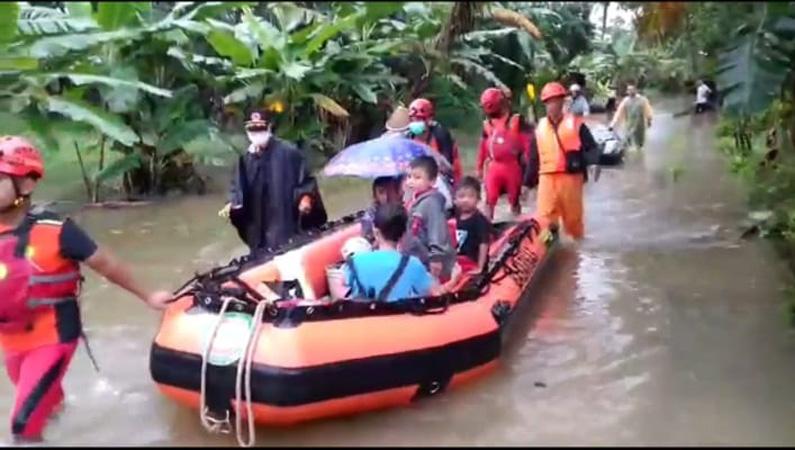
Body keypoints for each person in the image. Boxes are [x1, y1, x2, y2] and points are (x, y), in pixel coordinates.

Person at [0, 136, 173, 444]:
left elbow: (107, 264)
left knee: (23, 426)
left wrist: (148, 296)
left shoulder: (57, 231)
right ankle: (61, 416)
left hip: (52, 336)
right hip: (12, 340)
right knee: (47, 405)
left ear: (26, 184)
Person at [220, 110, 328, 253]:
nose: (257, 133)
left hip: (284, 216)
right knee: (261, 249)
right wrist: (232, 204)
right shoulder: (245, 159)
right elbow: (237, 187)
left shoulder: (289, 152)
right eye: (253, 130)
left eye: (261, 129)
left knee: (287, 244)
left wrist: (305, 197)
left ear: (269, 127)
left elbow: (306, 181)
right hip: (259, 223)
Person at [524, 82, 600, 241]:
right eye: (549, 102)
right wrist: (527, 183)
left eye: (556, 101)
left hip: (571, 178)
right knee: (545, 220)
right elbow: (533, 158)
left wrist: (594, 163)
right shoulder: (540, 128)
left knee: (573, 221)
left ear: (562, 102)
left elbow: (591, 147)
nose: (553, 105)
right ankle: (549, 247)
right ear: (545, 104)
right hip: (547, 179)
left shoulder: (576, 124)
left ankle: (576, 249)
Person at [345, 203, 439, 302]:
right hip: (402, 311)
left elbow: (341, 291)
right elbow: (434, 294)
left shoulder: (354, 263)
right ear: (403, 235)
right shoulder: (413, 265)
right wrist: (435, 277)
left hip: (365, 312)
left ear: (376, 232)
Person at [476, 87, 534, 220]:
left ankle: (518, 223)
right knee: (489, 200)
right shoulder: (487, 124)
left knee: (514, 199)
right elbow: (482, 147)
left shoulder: (517, 120)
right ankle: (487, 226)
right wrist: (479, 168)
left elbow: (529, 145)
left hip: (512, 166)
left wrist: (529, 171)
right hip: (494, 166)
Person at [401, 155, 456, 283]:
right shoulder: (412, 200)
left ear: (432, 181)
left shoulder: (432, 203)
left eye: (417, 178)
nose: (411, 181)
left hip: (430, 261)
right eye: (409, 177)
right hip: (417, 256)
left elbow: (437, 231)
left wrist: (436, 257)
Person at [407, 98, 463, 185]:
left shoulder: (440, 135)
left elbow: (448, 165)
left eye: (420, 119)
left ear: (429, 119)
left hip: (440, 179)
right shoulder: (408, 137)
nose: (416, 122)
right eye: (414, 119)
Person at [452, 176, 491, 275]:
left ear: (478, 199)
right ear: (455, 199)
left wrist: (480, 267)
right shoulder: (454, 217)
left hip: (473, 264)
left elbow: (484, 244)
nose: (465, 200)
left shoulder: (479, 221)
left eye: (470, 196)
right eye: (461, 196)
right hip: (459, 263)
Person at [609, 83, 653, 150]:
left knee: (640, 143)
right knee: (627, 141)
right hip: (629, 124)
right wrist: (612, 124)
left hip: (640, 125)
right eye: (628, 90)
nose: (630, 91)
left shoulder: (642, 100)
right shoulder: (626, 101)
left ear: (636, 90)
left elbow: (648, 110)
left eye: (632, 90)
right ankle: (628, 152)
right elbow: (619, 113)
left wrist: (649, 120)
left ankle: (639, 153)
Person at [361, 176, 403, 244]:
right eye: (381, 192)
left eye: (390, 191)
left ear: (397, 193)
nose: (386, 197)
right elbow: (367, 241)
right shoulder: (370, 216)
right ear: (375, 196)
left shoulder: (404, 210)